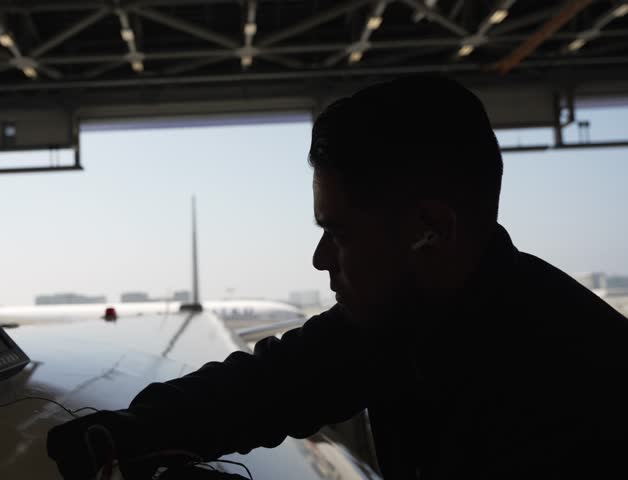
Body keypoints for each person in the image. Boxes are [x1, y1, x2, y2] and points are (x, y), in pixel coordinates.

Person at [47, 76, 628, 479]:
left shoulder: (575, 395)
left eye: (341, 233)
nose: (321, 258)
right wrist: (126, 432)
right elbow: (273, 382)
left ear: (430, 229)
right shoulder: (407, 318)